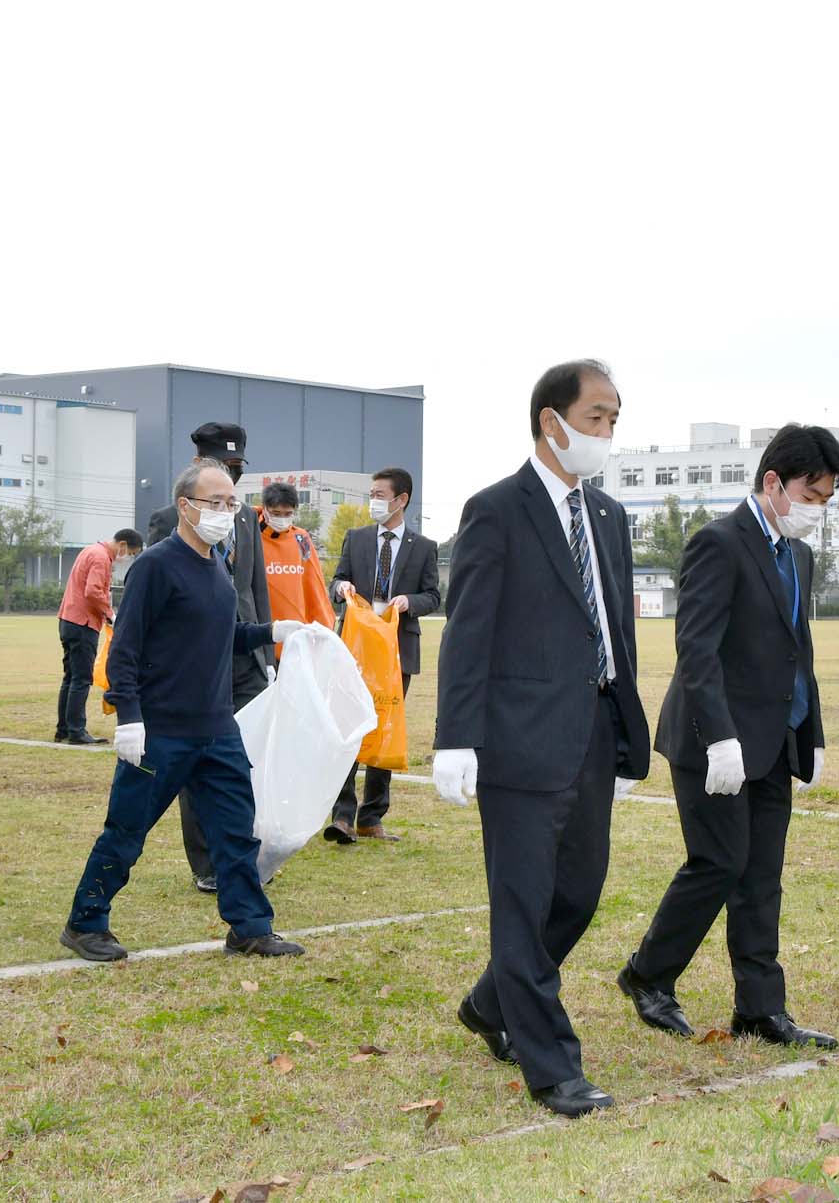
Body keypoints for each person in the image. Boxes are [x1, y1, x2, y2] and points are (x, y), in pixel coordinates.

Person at [433, 359, 651, 1119]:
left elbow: (615, 631)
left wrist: (627, 732)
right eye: (596, 417)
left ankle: (491, 1002)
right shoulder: (496, 510)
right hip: (516, 739)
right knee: (521, 903)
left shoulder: (609, 517)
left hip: (591, 732)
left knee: (579, 893)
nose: (607, 432)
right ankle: (552, 1066)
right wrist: (456, 737)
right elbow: (468, 634)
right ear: (550, 421)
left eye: (614, 419)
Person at [621, 424, 839, 1051]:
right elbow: (696, 647)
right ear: (773, 482)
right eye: (812, 493)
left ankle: (760, 1007)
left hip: (775, 740)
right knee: (719, 863)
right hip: (712, 741)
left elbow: (798, 650)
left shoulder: (796, 554)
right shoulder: (718, 543)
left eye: (826, 500)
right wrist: (719, 736)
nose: (816, 509)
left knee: (762, 873)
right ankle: (647, 975)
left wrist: (813, 732)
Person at [62, 460, 308, 962]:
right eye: (214, 502)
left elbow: (223, 635)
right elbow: (126, 647)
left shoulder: (218, 562)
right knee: (127, 829)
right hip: (161, 730)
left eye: (230, 503)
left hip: (217, 727)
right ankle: (86, 921)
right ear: (185, 505)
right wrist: (128, 716)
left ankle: (249, 926)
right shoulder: (156, 564)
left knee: (237, 831)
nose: (224, 511)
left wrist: (271, 632)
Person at [146, 422, 272, 895]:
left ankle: (241, 852)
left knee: (244, 758)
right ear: (199, 465)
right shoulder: (167, 518)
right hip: (197, 662)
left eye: (238, 470)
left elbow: (254, 587)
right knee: (195, 763)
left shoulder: (244, 517)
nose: (232, 481)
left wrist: (268, 653)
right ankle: (206, 862)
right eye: (224, 468)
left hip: (245, 654)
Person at [325, 466, 442, 843]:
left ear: (401, 499)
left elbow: (435, 596)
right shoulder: (355, 538)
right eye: (371, 494)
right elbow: (335, 580)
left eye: (379, 494)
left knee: (384, 728)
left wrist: (410, 602)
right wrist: (341, 585)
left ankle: (371, 817)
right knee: (349, 729)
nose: (373, 500)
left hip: (396, 648)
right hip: (356, 647)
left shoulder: (423, 548)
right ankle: (342, 815)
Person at [55, 528, 144, 744]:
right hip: (83, 623)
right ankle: (77, 730)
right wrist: (110, 614)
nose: (128, 558)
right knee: (81, 678)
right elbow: (93, 591)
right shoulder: (101, 557)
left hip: (68, 619)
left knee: (70, 677)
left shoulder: (90, 550)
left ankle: (64, 728)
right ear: (122, 545)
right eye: (131, 553)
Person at [258, 483, 335, 646]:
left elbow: (314, 584)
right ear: (264, 509)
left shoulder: (301, 538)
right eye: (276, 513)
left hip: (297, 636)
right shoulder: (252, 535)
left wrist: (324, 626)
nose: (282, 519)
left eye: (288, 514)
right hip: (262, 632)